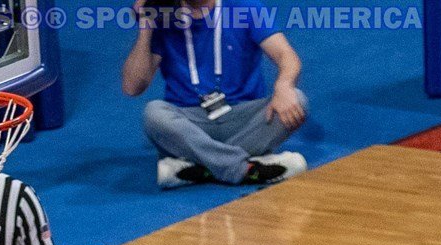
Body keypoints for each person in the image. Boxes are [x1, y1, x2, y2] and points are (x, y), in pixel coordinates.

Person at [122, 0, 308, 189]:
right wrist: (146, 27)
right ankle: (245, 168)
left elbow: (286, 55)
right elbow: (132, 87)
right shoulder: (164, 16)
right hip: (191, 124)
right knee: (154, 113)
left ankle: (199, 166)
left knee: (297, 99)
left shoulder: (243, 6)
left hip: (242, 119)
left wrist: (284, 86)